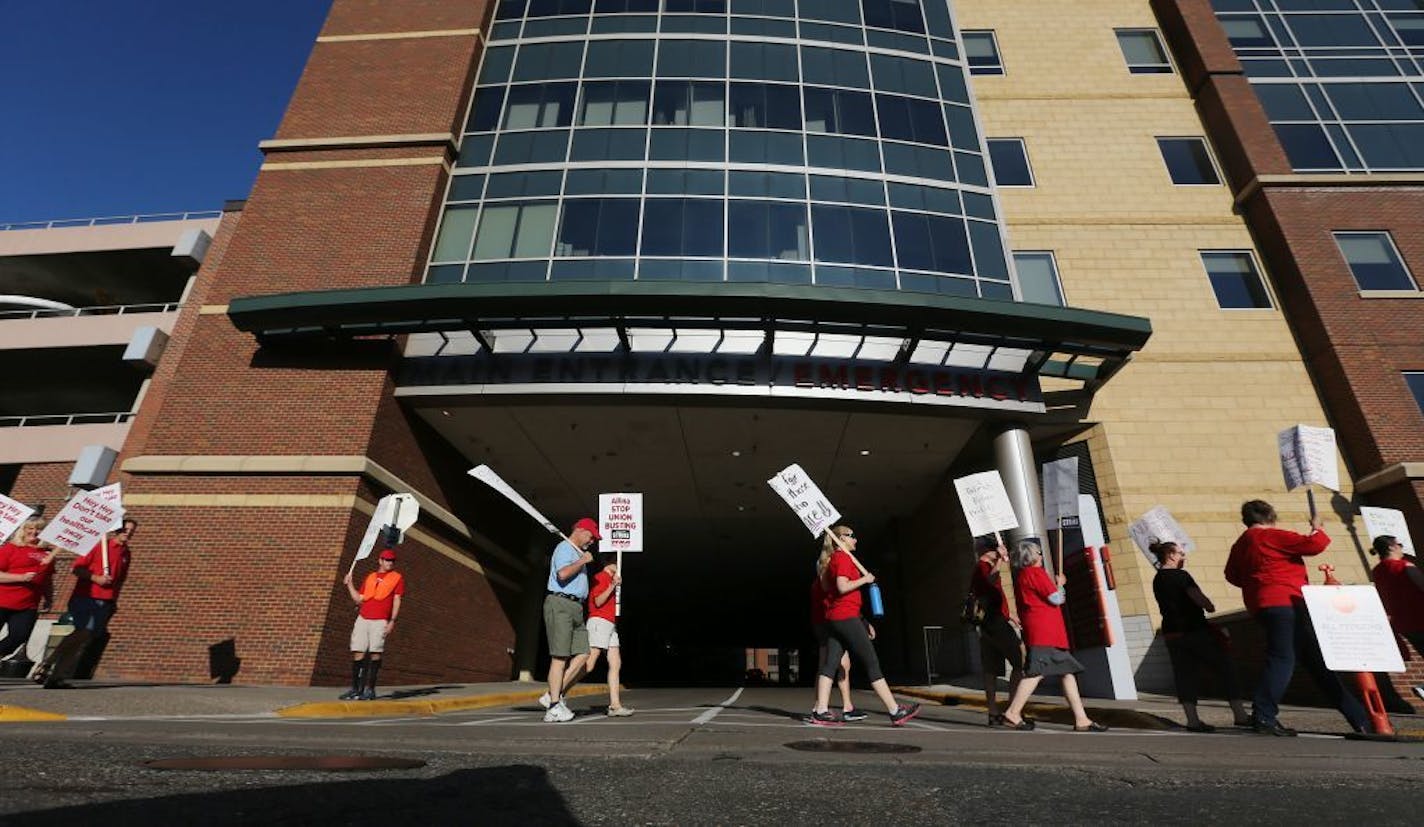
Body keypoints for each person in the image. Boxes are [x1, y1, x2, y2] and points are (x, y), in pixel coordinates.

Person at [1223, 499, 1369, 735]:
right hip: (1287, 602)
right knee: (1282, 659)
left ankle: (1359, 718)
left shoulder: (1240, 544)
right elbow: (1314, 545)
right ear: (1269, 516)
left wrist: (1257, 583)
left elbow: (1231, 575)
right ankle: (1263, 715)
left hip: (1263, 605)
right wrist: (1317, 526)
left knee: (1316, 664)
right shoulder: (1270, 535)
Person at [807, 524, 920, 727]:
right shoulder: (841, 558)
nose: (856, 539)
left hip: (836, 617)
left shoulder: (836, 559)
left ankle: (821, 711)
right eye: (852, 536)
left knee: (830, 663)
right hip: (846, 617)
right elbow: (842, 586)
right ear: (841, 539)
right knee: (871, 662)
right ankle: (895, 711)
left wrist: (864, 619)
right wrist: (865, 579)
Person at [998, 539, 1107, 732]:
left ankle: (1081, 718)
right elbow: (1056, 599)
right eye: (1038, 553)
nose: (1041, 556)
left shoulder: (1023, 576)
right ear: (1031, 556)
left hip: (1044, 631)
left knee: (1066, 672)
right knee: (1037, 673)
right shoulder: (1035, 573)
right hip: (1045, 632)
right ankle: (1013, 712)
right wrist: (1061, 585)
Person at [1150, 540, 1250, 732]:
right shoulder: (1181, 576)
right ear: (1170, 555)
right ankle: (1240, 714)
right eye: (1180, 553)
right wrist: (1209, 605)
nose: (1183, 557)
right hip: (1193, 629)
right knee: (1225, 667)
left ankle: (1193, 720)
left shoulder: (1158, 579)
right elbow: (1198, 598)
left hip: (1172, 632)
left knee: (1184, 675)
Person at [554, 554, 634, 717]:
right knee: (588, 664)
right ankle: (556, 693)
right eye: (615, 562)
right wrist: (612, 585)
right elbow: (598, 601)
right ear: (607, 562)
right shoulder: (601, 577)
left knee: (616, 663)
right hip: (599, 622)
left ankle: (615, 705)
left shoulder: (610, 578)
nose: (618, 565)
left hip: (610, 624)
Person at [539, 517, 600, 723]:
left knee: (584, 653)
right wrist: (583, 561)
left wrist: (581, 558)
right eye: (591, 536)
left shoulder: (576, 552)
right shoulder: (564, 548)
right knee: (560, 657)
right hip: (561, 603)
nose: (592, 541)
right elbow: (563, 574)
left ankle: (552, 695)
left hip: (575, 607)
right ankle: (554, 707)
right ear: (581, 531)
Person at [970, 536, 1024, 726]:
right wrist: (1001, 559)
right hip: (995, 623)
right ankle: (1012, 708)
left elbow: (994, 596)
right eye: (996, 549)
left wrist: (1010, 615)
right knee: (1019, 662)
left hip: (989, 624)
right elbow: (991, 583)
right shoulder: (983, 567)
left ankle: (993, 712)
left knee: (991, 669)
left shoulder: (980, 568)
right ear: (989, 550)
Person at [340, 548, 404, 700]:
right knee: (358, 651)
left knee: (376, 652)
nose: (390, 563)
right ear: (380, 560)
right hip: (363, 618)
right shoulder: (370, 577)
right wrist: (349, 584)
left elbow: (397, 600)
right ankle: (355, 688)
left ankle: (370, 689)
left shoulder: (397, 578)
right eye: (387, 560)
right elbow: (358, 598)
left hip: (380, 620)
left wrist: (392, 621)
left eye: (392, 561)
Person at [0, 517, 57, 661]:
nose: (34, 532)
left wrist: (49, 598)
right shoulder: (11, 548)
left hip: (28, 604)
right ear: (23, 530)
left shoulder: (48, 554)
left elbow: (47, 579)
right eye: (30, 528)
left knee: (20, 636)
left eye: (39, 529)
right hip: (2, 600)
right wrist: (20, 578)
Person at [810, 573, 865, 722]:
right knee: (830, 665)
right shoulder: (824, 582)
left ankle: (844, 707)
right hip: (828, 624)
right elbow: (837, 600)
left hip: (826, 623)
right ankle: (820, 707)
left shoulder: (822, 582)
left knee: (840, 665)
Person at [68, 518, 136, 634]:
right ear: (118, 529)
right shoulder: (100, 546)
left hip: (107, 600)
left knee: (98, 636)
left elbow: (120, 580)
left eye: (131, 530)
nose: (128, 532)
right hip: (87, 597)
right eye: (125, 529)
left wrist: (114, 600)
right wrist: (96, 578)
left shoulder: (126, 553)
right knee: (85, 634)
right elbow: (75, 568)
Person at [1370, 534, 1424, 658]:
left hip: (1405, 624)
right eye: (1399, 545)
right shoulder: (1404, 565)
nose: (1401, 548)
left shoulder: (1377, 572)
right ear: (1391, 547)